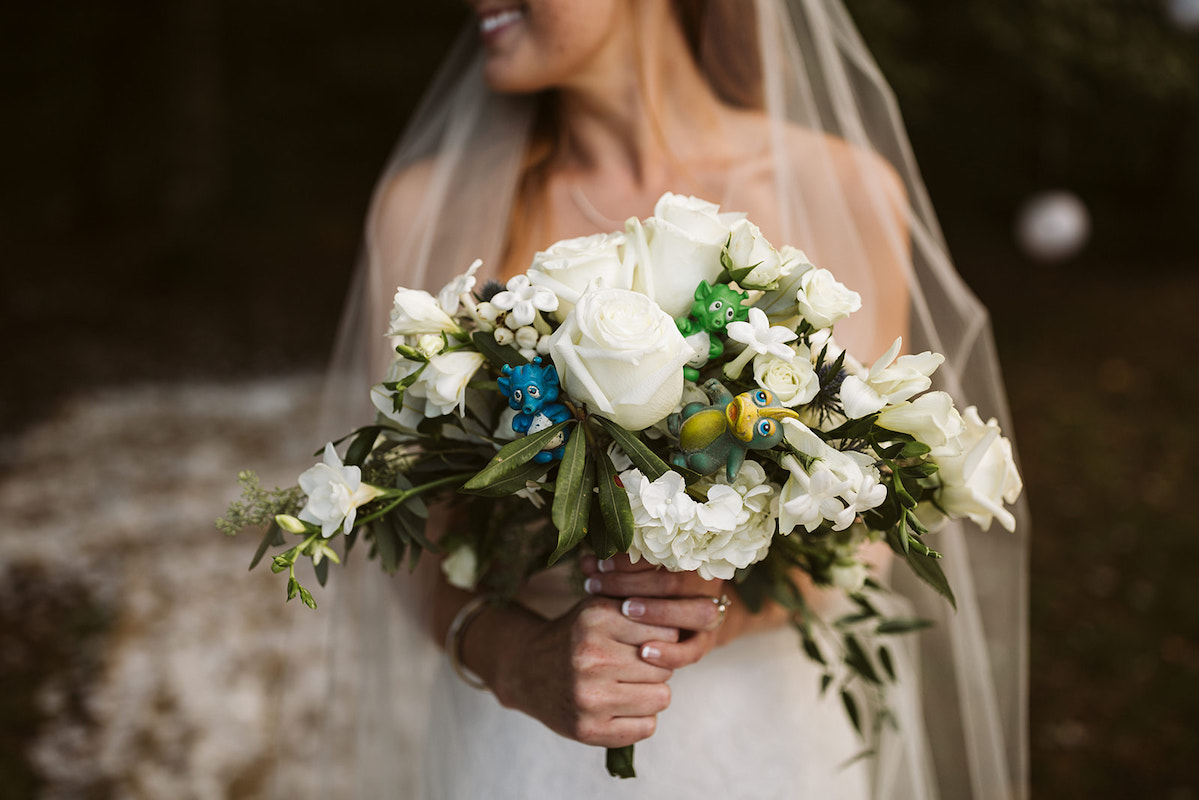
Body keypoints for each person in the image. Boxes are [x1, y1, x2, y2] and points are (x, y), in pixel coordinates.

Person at [313, 1, 1029, 798]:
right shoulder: (428, 208)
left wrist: (709, 613)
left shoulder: (844, 187)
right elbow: (408, 534)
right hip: (529, 745)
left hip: (766, 733)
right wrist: (521, 662)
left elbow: (866, 520)